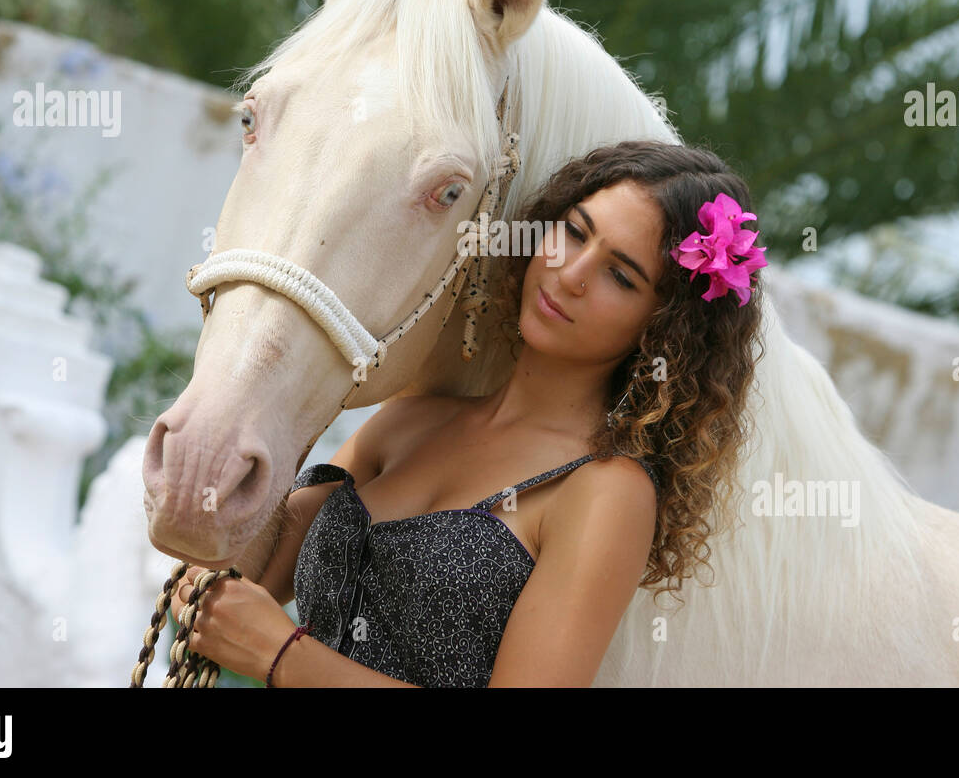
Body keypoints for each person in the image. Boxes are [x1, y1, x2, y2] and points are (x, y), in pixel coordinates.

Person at [167, 139, 767, 687]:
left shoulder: (607, 489)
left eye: (620, 275)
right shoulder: (412, 419)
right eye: (576, 233)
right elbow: (246, 572)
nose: (573, 273)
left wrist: (283, 657)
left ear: (664, 328)